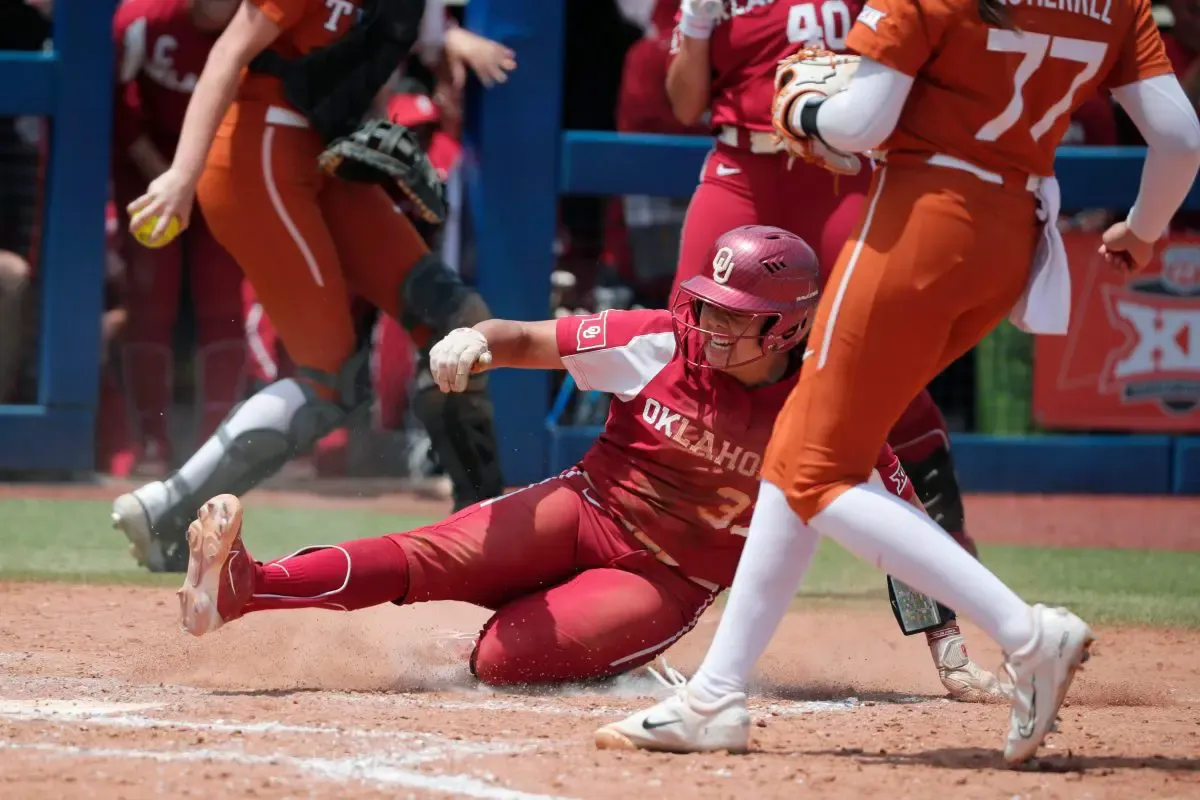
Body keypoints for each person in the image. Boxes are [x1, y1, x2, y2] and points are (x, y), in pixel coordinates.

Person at [597, 0, 1200, 765]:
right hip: (1011, 233)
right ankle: (715, 696)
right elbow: (1180, 138)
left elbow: (860, 125)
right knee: (810, 444)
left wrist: (805, 108)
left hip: (920, 222)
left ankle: (1025, 633)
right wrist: (1145, 230)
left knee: (815, 468)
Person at [173, 225, 1002, 692]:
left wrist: (948, 651)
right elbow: (530, 338)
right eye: (709, 307)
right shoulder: (661, 340)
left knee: (500, 660)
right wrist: (475, 340)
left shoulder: (830, 409)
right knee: (428, 556)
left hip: (666, 578)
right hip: (587, 508)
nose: (710, 326)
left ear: (786, 328)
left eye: (735, 317)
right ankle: (246, 590)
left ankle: (616, 657)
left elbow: (903, 534)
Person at [111, 0, 513, 572]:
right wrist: (181, 171)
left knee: (458, 319)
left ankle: (483, 528)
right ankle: (167, 509)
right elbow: (228, 51)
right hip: (258, 150)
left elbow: (393, 51)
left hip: (324, 156)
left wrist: (447, 53)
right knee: (330, 378)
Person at [665, 0, 991, 691]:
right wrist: (694, 24)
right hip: (741, 172)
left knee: (887, 390)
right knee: (690, 357)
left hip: (843, 175)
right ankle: (635, 588)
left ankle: (947, 635)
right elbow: (683, 100)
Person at [110, 0, 248, 476]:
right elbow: (113, 101)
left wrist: (203, 180)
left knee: (224, 301)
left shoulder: (265, 21)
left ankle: (215, 451)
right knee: (151, 299)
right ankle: (151, 441)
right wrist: (167, 176)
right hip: (150, 172)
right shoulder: (141, 21)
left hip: (229, 171)